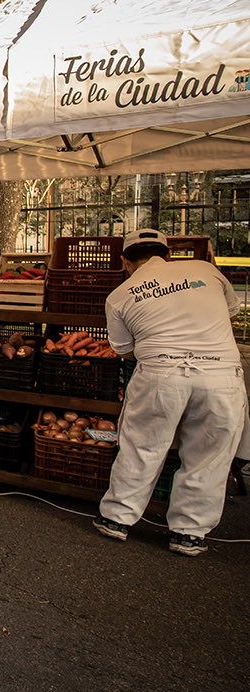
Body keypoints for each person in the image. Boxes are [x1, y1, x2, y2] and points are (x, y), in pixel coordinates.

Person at [93, 228, 248, 557]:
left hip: (161, 374)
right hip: (221, 374)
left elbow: (125, 351)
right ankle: (189, 533)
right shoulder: (206, 270)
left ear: (125, 262)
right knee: (209, 454)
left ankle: (117, 519)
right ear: (168, 253)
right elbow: (231, 312)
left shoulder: (120, 295)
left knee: (142, 446)